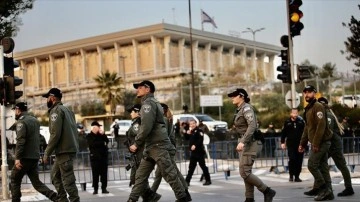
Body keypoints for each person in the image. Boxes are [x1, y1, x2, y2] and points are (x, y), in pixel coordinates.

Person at [127, 80, 187, 202]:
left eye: (140, 87)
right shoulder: (151, 103)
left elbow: (146, 126)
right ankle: (132, 199)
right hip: (151, 146)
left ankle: (182, 197)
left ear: (147, 89)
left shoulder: (148, 104)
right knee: (140, 176)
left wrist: (136, 143)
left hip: (158, 146)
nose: (137, 90)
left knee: (169, 174)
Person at [227, 88, 276, 202]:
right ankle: (249, 198)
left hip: (251, 142)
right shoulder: (240, 109)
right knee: (246, 172)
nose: (232, 98)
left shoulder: (247, 108)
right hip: (245, 143)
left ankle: (267, 191)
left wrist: (242, 142)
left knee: (244, 172)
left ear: (241, 96)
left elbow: (252, 126)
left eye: (234, 96)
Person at [10, 102, 58, 202]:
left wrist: (17, 158)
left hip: (24, 158)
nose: (15, 112)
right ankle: (55, 197)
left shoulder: (21, 122)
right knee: (37, 183)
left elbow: (21, 141)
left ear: (18, 110)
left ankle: (15, 200)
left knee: (14, 179)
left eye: (15, 110)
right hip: (34, 157)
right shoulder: (35, 120)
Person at [42, 88, 80, 202]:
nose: (47, 100)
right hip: (65, 151)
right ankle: (63, 200)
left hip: (64, 151)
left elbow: (55, 134)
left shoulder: (56, 111)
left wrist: (46, 153)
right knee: (55, 177)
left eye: (48, 97)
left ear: (52, 98)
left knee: (68, 182)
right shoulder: (68, 110)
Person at [298, 85, 333, 201]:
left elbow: (321, 126)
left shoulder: (318, 106)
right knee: (323, 167)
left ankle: (324, 189)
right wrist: (302, 143)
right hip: (317, 142)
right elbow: (307, 128)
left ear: (314, 93)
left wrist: (316, 143)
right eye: (305, 93)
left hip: (322, 142)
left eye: (309, 92)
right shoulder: (309, 108)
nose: (307, 95)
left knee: (312, 165)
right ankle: (329, 193)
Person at [151, 103, 191, 201]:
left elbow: (165, 136)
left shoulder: (163, 120)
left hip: (165, 150)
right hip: (168, 149)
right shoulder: (168, 119)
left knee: (167, 174)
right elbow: (171, 137)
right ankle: (185, 193)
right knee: (164, 174)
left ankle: (183, 194)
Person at [318, 97, 354, 197]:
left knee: (341, 165)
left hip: (333, 145)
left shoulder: (328, 115)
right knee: (320, 164)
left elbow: (328, 132)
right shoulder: (324, 114)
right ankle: (322, 188)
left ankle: (349, 188)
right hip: (329, 144)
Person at [280, 108, 305, 182]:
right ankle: (291, 175)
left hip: (300, 144)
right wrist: (282, 142)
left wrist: (305, 142)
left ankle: (297, 176)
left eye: (296, 113)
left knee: (299, 160)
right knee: (292, 159)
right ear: (291, 114)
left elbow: (305, 133)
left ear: (298, 113)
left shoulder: (301, 122)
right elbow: (283, 133)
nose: (295, 115)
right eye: (293, 113)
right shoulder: (287, 122)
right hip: (291, 144)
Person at [184, 119, 212, 186]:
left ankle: (208, 180)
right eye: (190, 124)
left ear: (196, 124)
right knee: (191, 168)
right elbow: (186, 138)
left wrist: (195, 145)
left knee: (203, 166)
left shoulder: (199, 131)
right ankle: (187, 181)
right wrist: (186, 133)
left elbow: (200, 140)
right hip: (193, 153)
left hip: (199, 152)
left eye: (193, 123)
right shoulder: (191, 132)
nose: (192, 125)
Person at [86, 121, 110, 194]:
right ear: (94, 127)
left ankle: (104, 188)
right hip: (95, 158)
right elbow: (92, 144)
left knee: (104, 174)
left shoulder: (101, 135)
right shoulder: (89, 136)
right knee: (95, 174)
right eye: (98, 127)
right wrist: (102, 143)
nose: (99, 128)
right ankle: (95, 189)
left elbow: (107, 141)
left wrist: (103, 135)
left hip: (103, 157)